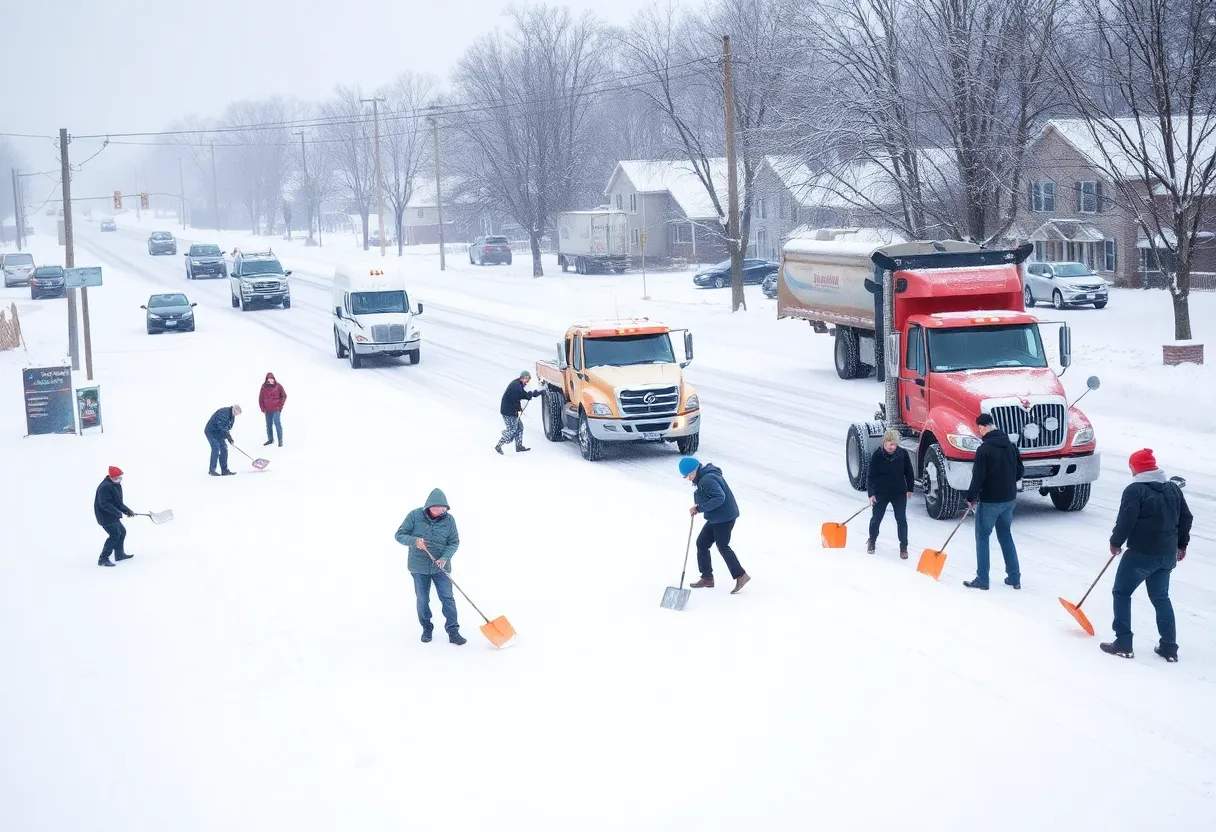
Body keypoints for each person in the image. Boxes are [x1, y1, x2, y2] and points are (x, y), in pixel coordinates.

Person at [1101, 449, 1193, 661]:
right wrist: (1182, 545)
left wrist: (1115, 542)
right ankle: (1169, 647)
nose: (1131, 470)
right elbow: (1186, 517)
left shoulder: (1135, 490)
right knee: (1161, 598)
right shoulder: (1172, 488)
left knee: (1121, 593)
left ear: (1137, 468)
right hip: (1166, 554)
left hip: (1141, 554)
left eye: (1131, 467)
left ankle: (1124, 644)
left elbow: (1126, 520)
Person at [394, 488, 466, 645]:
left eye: (442, 509)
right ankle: (427, 627)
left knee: (447, 598)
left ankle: (453, 630)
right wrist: (415, 541)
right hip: (418, 567)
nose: (439, 512)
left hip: (441, 567)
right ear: (428, 506)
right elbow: (399, 535)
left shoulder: (449, 520)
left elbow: (454, 542)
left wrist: (445, 558)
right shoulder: (414, 515)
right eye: (436, 508)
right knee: (422, 599)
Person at [963, 413, 1023, 590]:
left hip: (990, 501)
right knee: (1005, 535)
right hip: (1010, 499)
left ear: (982, 428)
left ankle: (982, 579)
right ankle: (1014, 577)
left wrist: (970, 496)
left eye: (979, 429)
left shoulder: (984, 449)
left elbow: (978, 477)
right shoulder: (1011, 445)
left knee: (982, 537)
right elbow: (1020, 471)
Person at [680, 456, 750, 594]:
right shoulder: (705, 476)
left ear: (694, 471)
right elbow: (711, 497)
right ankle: (707, 578)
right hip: (717, 517)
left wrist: (700, 508)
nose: (688, 479)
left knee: (722, 546)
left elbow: (719, 497)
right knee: (702, 543)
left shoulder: (707, 479)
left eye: (688, 475)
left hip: (724, 517)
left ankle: (741, 575)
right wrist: (699, 507)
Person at [866, 430, 916, 558]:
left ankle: (903, 546)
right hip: (881, 493)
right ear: (884, 442)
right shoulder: (877, 456)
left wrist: (910, 489)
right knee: (876, 518)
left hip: (899, 493)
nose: (891, 446)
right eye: (889, 443)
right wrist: (871, 494)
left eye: (894, 444)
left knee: (901, 520)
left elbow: (909, 473)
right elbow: (870, 476)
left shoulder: (903, 454)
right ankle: (872, 540)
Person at [94, 466, 136, 567]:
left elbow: (117, 502)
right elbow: (104, 504)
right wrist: (117, 512)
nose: (120, 480)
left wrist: (127, 510)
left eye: (120, 477)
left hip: (112, 515)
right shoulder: (105, 487)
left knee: (122, 532)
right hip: (104, 516)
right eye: (118, 478)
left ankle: (119, 554)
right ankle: (103, 559)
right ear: (111, 477)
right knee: (115, 534)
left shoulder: (116, 485)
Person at [496, 370, 543, 455]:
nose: (527, 381)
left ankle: (519, 446)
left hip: (511, 410)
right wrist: (518, 409)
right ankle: (499, 445)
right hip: (507, 411)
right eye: (526, 379)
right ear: (522, 377)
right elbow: (516, 400)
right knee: (512, 429)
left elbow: (522, 394)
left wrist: (533, 394)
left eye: (528, 379)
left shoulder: (519, 384)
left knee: (520, 427)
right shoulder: (515, 386)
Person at [204, 404, 241, 476]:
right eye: (236, 413)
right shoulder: (224, 412)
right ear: (234, 409)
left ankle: (224, 470)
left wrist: (228, 438)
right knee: (216, 448)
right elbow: (223, 426)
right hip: (211, 431)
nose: (236, 415)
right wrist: (229, 438)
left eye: (237, 414)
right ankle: (212, 470)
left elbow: (228, 428)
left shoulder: (232, 416)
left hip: (219, 433)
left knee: (224, 448)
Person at [258, 372, 287, 447]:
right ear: (267, 379)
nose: (271, 380)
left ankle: (280, 441)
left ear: (274, 379)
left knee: (277, 424)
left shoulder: (278, 386)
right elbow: (260, 399)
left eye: (272, 379)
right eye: (269, 379)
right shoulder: (263, 387)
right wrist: (262, 408)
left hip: (276, 409)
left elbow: (284, 396)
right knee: (268, 425)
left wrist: (280, 406)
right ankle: (270, 439)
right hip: (267, 410)